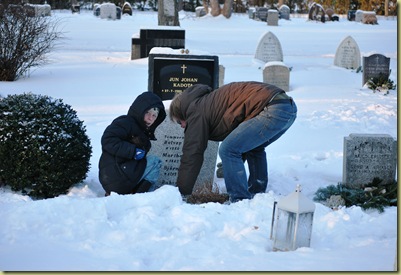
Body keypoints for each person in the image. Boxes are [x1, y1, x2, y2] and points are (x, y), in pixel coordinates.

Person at [169, 81, 297, 203]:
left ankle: (239, 199)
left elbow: (192, 154)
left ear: (181, 113)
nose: (181, 126)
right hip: (287, 107)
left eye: (179, 122)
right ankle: (258, 195)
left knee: (228, 150)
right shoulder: (207, 102)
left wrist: (181, 193)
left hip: (273, 108)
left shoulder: (196, 110)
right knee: (254, 148)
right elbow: (241, 140)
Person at [99, 92, 166, 196]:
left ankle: (137, 195)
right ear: (140, 110)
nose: (150, 118)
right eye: (148, 113)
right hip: (115, 175)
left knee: (148, 161)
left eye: (154, 116)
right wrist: (133, 151)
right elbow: (108, 139)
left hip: (118, 174)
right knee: (155, 162)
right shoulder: (126, 122)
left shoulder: (141, 130)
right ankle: (141, 198)